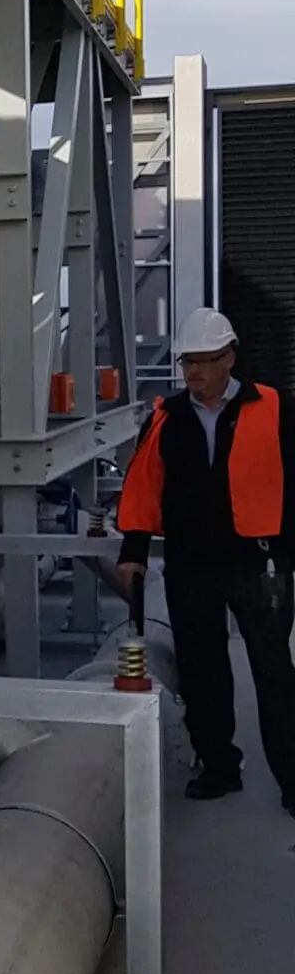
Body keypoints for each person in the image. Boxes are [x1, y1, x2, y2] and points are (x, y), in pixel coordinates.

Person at [112, 307, 295, 808]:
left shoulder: (274, 407)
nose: (193, 371)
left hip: (257, 562)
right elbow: (144, 487)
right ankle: (218, 767)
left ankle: (293, 778)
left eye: (204, 360)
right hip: (191, 564)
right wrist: (133, 551)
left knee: (274, 670)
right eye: (187, 361)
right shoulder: (167, 418)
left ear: (229, 358)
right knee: (202, 669)